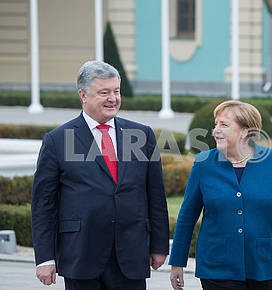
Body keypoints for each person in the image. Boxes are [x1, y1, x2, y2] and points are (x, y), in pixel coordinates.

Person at [31, 60, 169, 290]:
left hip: (131, 255)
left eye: (116, 91)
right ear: (83, 95)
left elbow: (155, 195)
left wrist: (159, 245)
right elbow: (43, 204)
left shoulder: (142, 135)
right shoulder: (57, 140)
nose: (113, 99)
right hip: (81, 254)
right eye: (104, 92)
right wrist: (45, 257)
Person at [169, 100, 272, 290]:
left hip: (263, 265)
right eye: (216, 124)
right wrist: (177, 263)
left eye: (224, 125)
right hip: (217, 267)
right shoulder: (203, 164)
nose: (216, 130)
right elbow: (187, 216)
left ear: (246, 132)